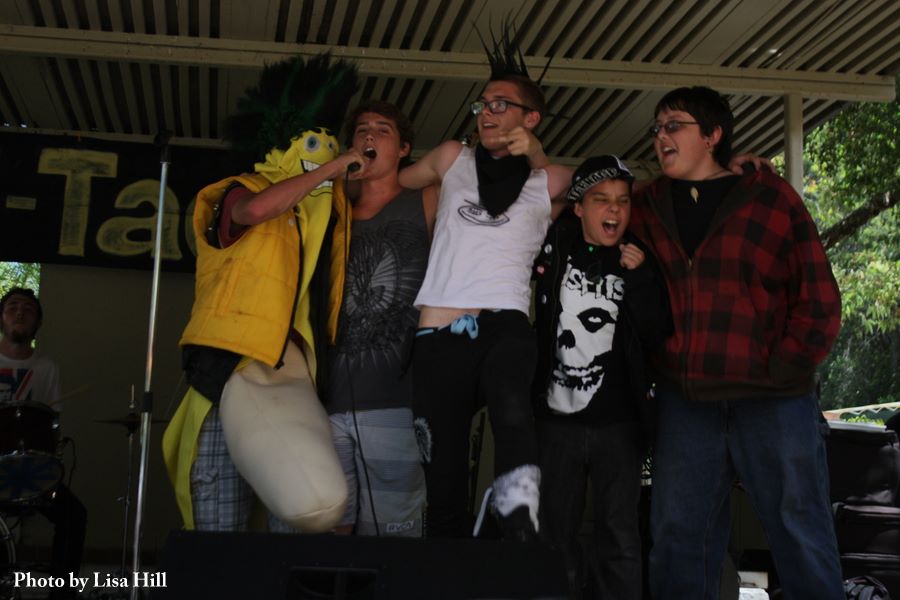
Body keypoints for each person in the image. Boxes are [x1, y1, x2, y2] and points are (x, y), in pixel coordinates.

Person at [628, 86, 844, 599]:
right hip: (686, 403)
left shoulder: (770, 197)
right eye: (657, 128)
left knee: (800, 531)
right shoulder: (645, 205)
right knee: (678, 540)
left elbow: (818, 298)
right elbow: (582, 201)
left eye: (674, 125)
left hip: (774, 401)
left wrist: (782, 370)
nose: (660, 137)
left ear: (712, 135)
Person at [162, 54, 362, 533]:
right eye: (314, 144)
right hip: (229, 369)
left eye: (332, 145)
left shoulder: (328, 213)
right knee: (217, 523)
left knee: (295, 518)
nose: (326, 154)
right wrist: (331, 168)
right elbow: (254, 211)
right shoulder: (241, 189)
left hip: (291, 372)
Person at [398, 40, 572, 539]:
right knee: (443, 478)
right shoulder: (453, 156)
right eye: (482, 104)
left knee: (514, 420)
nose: (487, 113)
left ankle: (519, 533)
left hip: (504, 322)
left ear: (531, 117)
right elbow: (391, 182)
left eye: (500, 104)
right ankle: (448, 566)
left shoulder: (551, 180)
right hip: (438, 329)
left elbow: (621, 192)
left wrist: (535, 155)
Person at [532, 156, 671, 599]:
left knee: (619, 534)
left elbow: (657, 334)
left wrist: (641, 277)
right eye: (601, 200)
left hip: (620, 424)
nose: (614, 210)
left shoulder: (640, 257)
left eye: (622, 201)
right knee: (553, 534)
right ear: (578, 207)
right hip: (555, 420)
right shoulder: (552, 246)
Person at [323, 100, 435, 536]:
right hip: (326, 399)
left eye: (383, 130)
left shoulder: (425, 200)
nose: (369, 136)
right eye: (361, 130)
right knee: (331, 530)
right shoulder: (331, 212)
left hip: (396, 400)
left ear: (404, 149)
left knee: (393, 536)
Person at [0, 287, 87, 600]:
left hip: (32, 472)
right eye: (12, 306)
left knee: (74, 514)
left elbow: (52, 426)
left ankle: (61, 593)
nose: (19, 312)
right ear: (1, 318)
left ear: (38, 322)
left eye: (28, 309)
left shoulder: (47, 367)